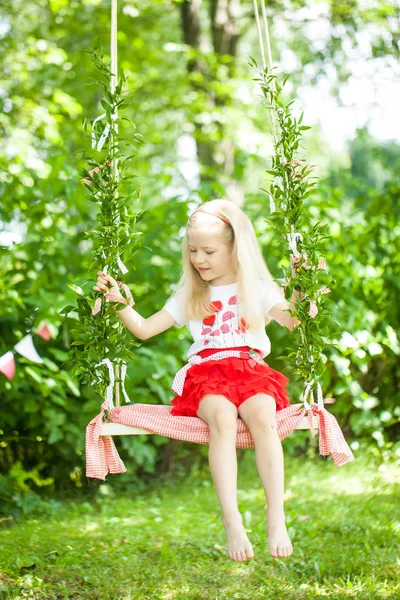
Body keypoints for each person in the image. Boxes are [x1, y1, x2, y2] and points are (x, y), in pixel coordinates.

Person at [93, 199, 300, 562]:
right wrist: (120, 303)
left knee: (264, 416)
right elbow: (143, 330)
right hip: (206, 374)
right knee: (221, 418)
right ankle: (232, 520)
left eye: (208, 251)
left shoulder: (258, 289)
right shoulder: (191, 294)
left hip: (250, 369)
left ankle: (276, 515)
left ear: (235, 249)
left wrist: (302, 287)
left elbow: (294, 320)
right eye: (192, 251)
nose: (199, 259)